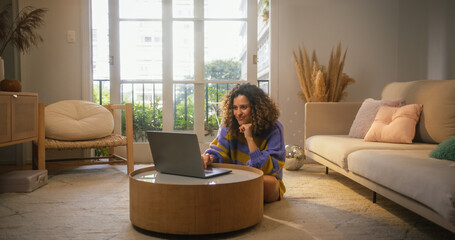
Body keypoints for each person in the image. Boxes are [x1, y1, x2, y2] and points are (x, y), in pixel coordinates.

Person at [201, 83, 286, 203]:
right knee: (208, 173)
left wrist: (249, 138)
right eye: (235, 108)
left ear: (256, 108)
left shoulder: (274, 128)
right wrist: (210, 158)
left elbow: (272, 168)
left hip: (262, 178)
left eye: (243, 107)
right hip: (235, 178)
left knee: (267, 183)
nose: (238, 113)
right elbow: (219, 150)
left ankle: (235, 198)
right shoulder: (229, 125)